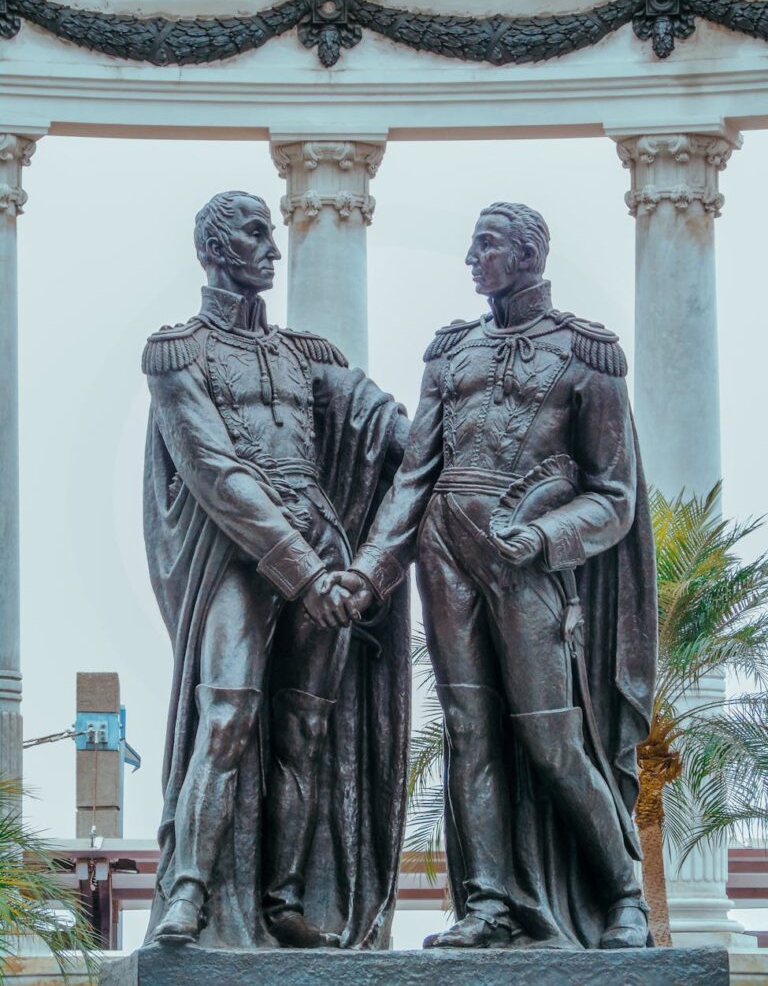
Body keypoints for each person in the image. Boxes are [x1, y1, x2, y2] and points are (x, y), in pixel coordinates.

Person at [331, 202, 657, 950]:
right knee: (470, 734)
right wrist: (369, 572)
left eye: (487, 244)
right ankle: (486, 904)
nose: (472, 258)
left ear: (529, 253)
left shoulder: (587, 353)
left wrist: (545, 535)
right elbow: (414, 478)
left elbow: (615, 495)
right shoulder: (450, 353)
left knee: (551, 737)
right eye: (474, 245)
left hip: (528, 559)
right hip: (446, 551)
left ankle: (623, 896)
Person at [142, 191, 410, 950]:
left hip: (323, 547)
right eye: (256, 234)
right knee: (227, 714)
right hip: (242, 557)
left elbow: (388, 426)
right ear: (215, 249)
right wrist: (306, 575)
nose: (272, 248)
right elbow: (216, 472)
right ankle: (189, 892)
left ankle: (284, 898)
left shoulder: (307, 354)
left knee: (306, 728)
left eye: (270, 232)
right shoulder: (176, 352)